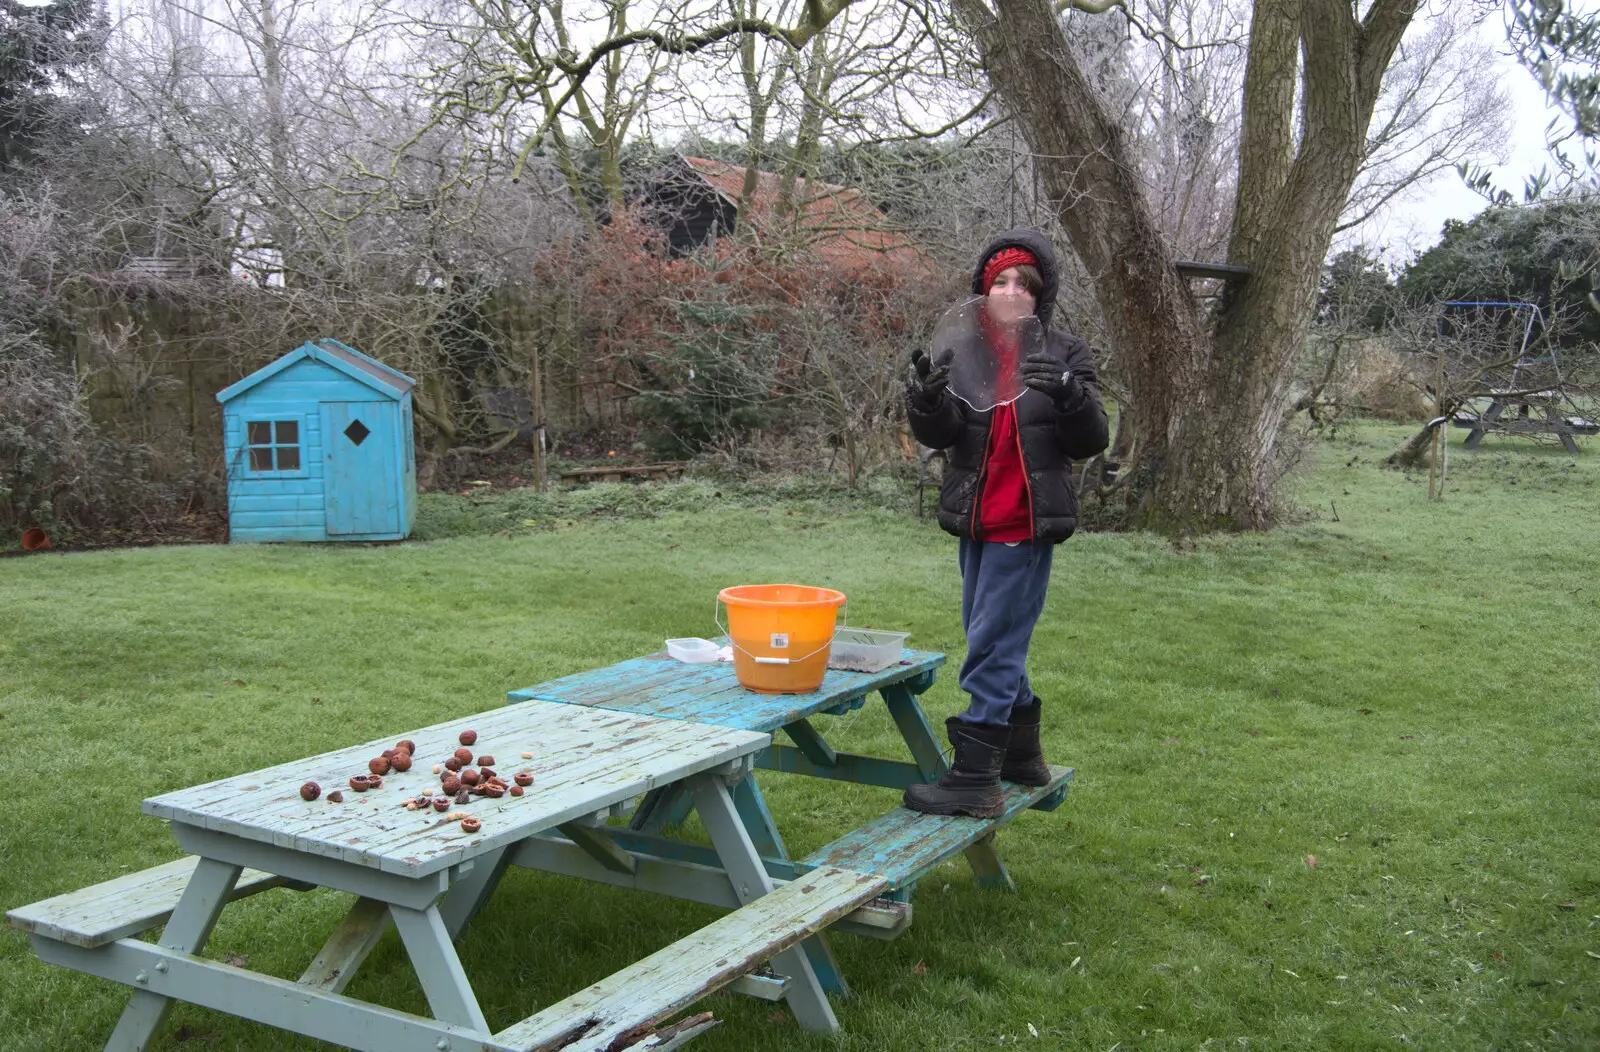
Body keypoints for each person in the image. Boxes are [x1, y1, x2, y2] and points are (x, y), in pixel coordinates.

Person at [902, 228, 1109, 818]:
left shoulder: (1066, 353)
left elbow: (1092, 439)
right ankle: (1020, 756)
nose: (1012, 290)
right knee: (988, 632)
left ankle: (975, 780)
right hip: (976, 515)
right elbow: (941, 435)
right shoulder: (963, 350)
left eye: (1024, 282)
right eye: (1000, 281)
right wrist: (926, 401)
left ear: (1040, 294)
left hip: (1025, 516)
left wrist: (1071, 396)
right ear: (983, 290)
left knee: (992, 641)